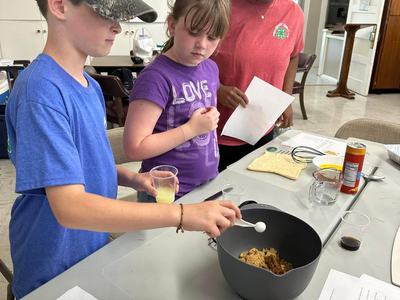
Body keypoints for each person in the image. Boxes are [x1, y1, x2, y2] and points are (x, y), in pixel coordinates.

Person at [5, 0, 241, 298]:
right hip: (51, 262)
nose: (118, 26)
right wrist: (182, 214)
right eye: (107, 14)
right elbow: (69, 207)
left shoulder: (88, 86)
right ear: (60, 5)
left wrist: (133, 179)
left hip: (90, 246)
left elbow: (81, 164)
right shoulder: (41, 92)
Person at [124, 0, 230, 199]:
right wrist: (192, 129)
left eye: (212, 37)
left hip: (207, 185)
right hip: (165, 194)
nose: (202, 44)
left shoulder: (210, 68)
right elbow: (134, 147)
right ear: (172, 25)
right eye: (193, 32)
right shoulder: (155, 78)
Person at [212, 0, 304, 171]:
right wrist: (216, 89)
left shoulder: (293, 12)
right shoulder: (221, 6)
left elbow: (293, 55)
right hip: (216, 130)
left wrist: (286, 97)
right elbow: (195, 55)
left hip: (263, 126)